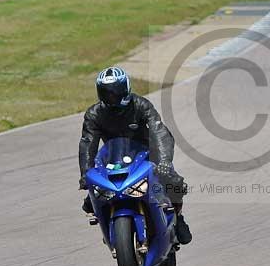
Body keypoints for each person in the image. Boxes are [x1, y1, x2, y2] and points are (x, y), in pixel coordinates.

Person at [78, 66, 192, 245]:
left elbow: (159, 132)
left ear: (125, 88)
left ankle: (178, 216)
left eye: (115, 91)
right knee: (92, 197)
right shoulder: (94, 114)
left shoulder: (141, 105)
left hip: (146, 153)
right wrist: (86, 173)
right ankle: (108, 224)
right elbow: (88, 142)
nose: (111, 97)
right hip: (115, 157)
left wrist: (163, 161)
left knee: (173, 181)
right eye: (106, 92)